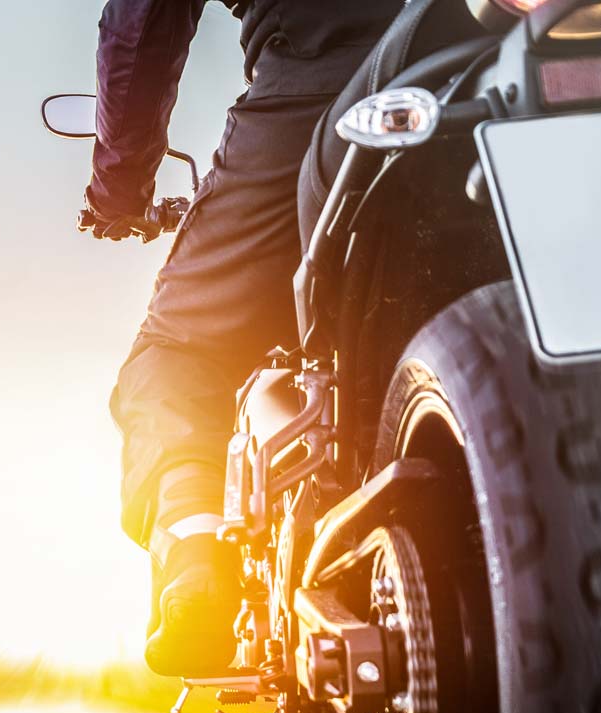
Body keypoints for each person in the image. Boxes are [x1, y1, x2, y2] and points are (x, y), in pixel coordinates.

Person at [83, 0, 407, 676]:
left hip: (331, 88)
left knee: (175, 351)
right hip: (527, 63)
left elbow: (140, 27)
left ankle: (197, 561)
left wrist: (119, 189)